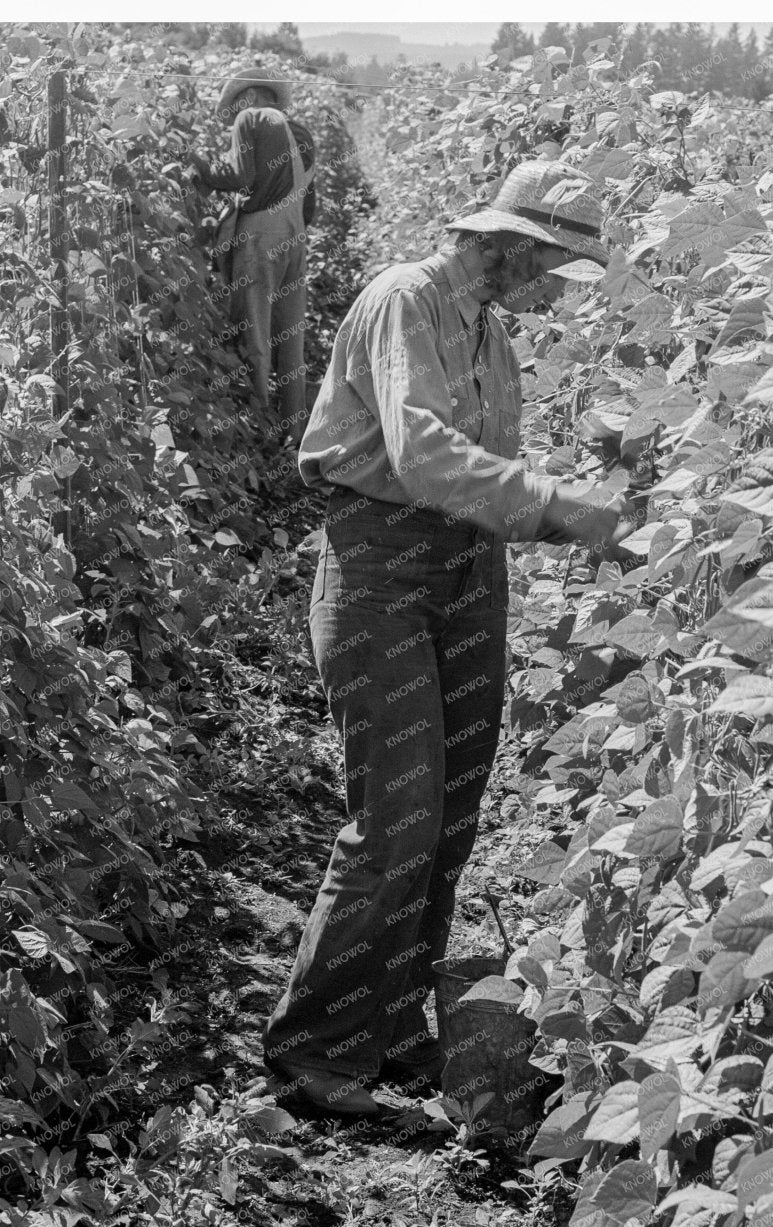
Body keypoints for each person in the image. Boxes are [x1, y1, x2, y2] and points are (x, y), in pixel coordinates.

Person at [263, 161, 632, 1118]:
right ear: (510, 243)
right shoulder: (406, 300)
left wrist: (594, 483)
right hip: (381, 565)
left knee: (451, 812)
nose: (558, 290)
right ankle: (316, 1052)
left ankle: (389, 1031)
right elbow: (422, 454)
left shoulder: (490, 334)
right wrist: (564, 510)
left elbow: (486, 468)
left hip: (468, 567)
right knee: (396, 817)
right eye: (555, 267)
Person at [195, 69, 317, 439]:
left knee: (256, 330)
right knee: (291, 336)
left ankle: (260, 423)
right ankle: (296, 431)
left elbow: (239, 175)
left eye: (235, 107)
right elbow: (311, 205)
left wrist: (198, 165)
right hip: (295, 237)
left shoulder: (252, 119)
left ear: (247, 98)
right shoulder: (301, 134)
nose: (234, 115)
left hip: (261, 235)